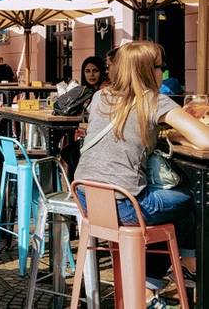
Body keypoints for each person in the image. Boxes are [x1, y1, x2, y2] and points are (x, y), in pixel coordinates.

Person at [74, 41, 209, 306]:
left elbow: (129, 130)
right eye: (162, 67)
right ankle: (183, 272)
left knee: (177, 219)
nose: (164, 73)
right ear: (149, 70)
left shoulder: (100, 97)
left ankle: (156, 285)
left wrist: (166, 132)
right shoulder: (154, 100)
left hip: (88, 199)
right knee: (192, 200)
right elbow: (205, 139)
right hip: (125, 204)